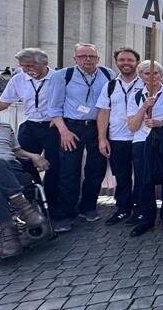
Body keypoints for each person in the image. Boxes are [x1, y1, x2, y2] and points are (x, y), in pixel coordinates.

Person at [46, 43, 114, 232]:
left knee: (96, 169)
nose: (87, 59)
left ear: (98, 59)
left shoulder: (108, 75)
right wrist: (63, 131)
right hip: (71, 127)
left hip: (98, 127)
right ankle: (66, 213)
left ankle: (88, 207)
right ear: (75, 58)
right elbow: (54, 107)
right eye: (83, 56)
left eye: (92, 56)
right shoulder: (62, 76)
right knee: (69, 171)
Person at [0, 48, 60, 204]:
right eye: (23, 66)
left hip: (52, 126)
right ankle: (34, 199)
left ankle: (52, 201)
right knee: (22, 162)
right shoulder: (18, 79)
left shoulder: (58, 78)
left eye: (30, 65)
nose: (27, 70)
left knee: (55, 165)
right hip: (30, 125)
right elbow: (4, 102)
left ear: (45, 63)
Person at [126, 61, 163, 237]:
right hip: (143, 141)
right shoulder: (135, 96)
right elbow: (132, 126)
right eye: (147, 74)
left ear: (161, 74)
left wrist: (162, 122)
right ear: (141, 76)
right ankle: (147, 218)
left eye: (156, 73)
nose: (152, 78)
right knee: (144, 182)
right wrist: (144, 108)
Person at [96, 48, 143, 225]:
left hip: (140, 138)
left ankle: (139, 209)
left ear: (137, 62)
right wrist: (102, 138)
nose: (126, 63)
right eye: (122, 60)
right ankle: (123, 209)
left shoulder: (145, 83)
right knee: (121, 176)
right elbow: (103, 112)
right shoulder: (110, 86)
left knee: (141, 176)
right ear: (116, 62)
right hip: (117, 138)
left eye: (130, 60)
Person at [0, 120, 48, 258]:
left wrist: (34, 156)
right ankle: (25, 209)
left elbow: (17, 151)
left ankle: (8, 233)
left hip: (10, 169)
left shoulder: (4, 126)